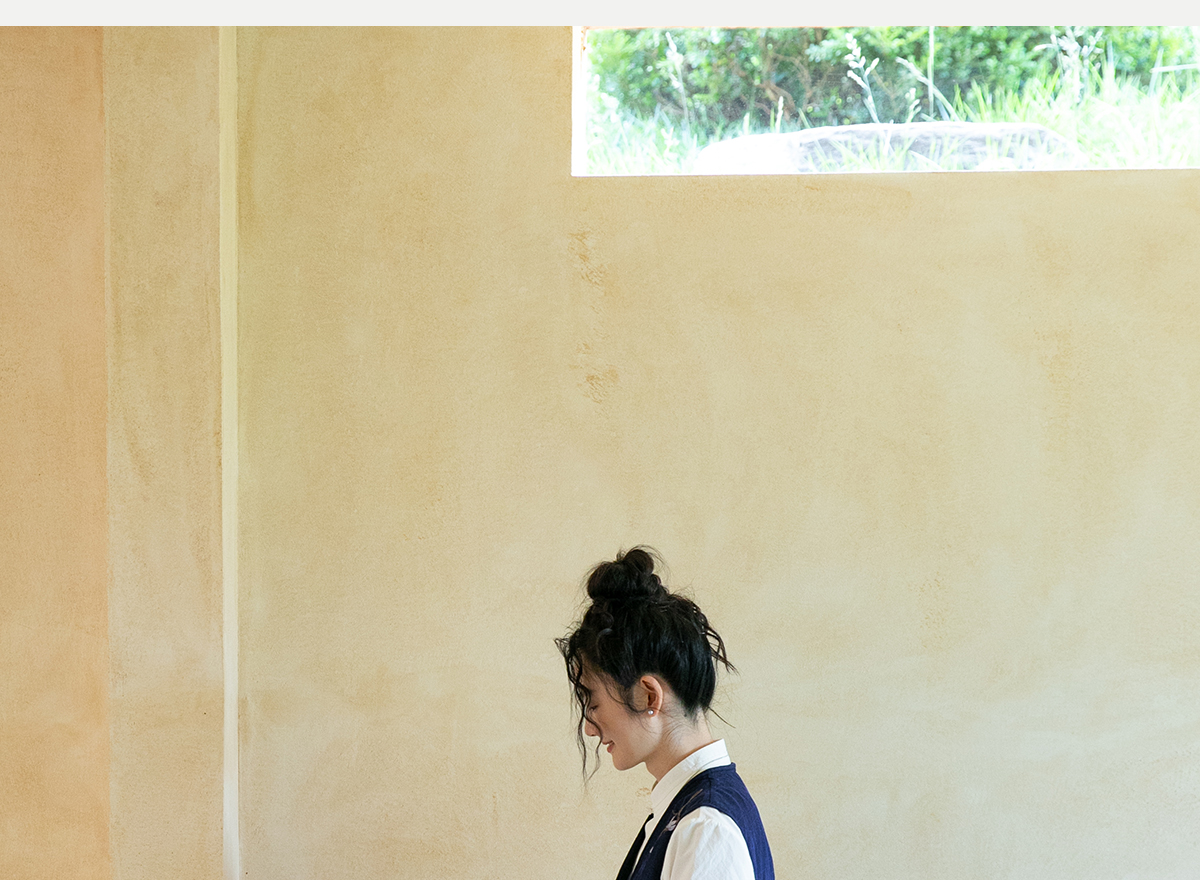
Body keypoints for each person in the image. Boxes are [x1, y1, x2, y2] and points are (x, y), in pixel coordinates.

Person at [557, 547, 774, 880]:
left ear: (649, 696)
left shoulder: (705, 828)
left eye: (594, 703)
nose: (589, 728)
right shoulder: (687, 811)